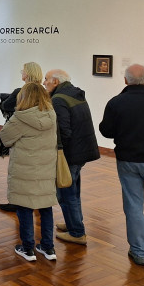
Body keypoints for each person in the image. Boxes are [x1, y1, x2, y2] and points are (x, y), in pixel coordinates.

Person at [99, 64, 144, 266]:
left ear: (126, 81)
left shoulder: (116, 103)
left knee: (134, 207)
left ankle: (139, 251)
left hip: (128, 162)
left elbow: (106, 131)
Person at [0, 83, 58, 262]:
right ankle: (48, 248)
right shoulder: (52, 115)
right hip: (46, 168)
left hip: (25, 169)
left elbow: (5, 138)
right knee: (45, 207)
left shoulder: (20, 118)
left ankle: (28, 248)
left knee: (24, 207)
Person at [43, 69, 100, 245]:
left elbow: (64, 132)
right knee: (73, 190)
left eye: (46, 80)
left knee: (66, 193)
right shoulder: (75, 93)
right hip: (82, 150)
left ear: (55, 82)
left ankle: (76, 232)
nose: (44, 83)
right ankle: (73, 223)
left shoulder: (59, 100)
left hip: (70, 153)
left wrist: (57, 154)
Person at [0, 62, 43, 213]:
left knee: (18, 171)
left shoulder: (20, 91)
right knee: (35, 171)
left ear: (28, 73)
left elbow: (5, 106)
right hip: (39, 136)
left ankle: (17, 202)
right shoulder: (44, 92)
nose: (21, 73)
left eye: (22, 71)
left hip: (21, 134)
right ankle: (34, 201)